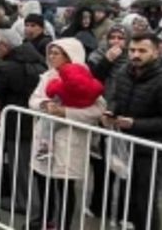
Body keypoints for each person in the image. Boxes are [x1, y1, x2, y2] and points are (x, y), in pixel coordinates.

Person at [100, 31, 162, 230]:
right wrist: (111, 112)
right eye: (132, 50)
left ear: (156, 52)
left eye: (142, 51)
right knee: (128, 197)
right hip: (125, 145)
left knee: (145, 202)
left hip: (151, 149)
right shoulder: (124, 72)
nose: (135, 55)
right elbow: (116, 98)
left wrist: (135, 124)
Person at [26, 39, 106, 230]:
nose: (51, 56)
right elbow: (33, 99)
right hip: (46, 138)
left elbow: (98, 110)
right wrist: (44, 104)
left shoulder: (84, 77)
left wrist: (66, 113)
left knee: (64, 185)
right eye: (50, 52)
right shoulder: (48, 76)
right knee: (42, 180)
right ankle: (44, 219)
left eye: (57, 53)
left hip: (70, 139)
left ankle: (64, 224)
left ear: (69, 55)